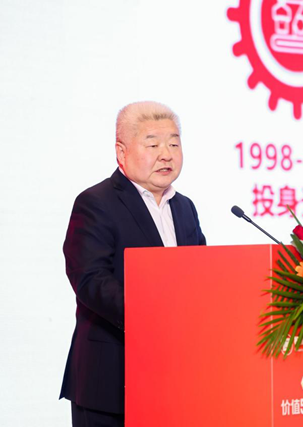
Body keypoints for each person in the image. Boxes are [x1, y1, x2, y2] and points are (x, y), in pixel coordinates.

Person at [60, 101, 206, 426]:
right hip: (112, 379)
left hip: (175, 376)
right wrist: (158, 317)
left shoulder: (185, 208)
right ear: (121, 152)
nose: (166, 154)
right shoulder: (96, 202)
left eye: (174, 144)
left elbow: (200, 275)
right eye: (153, 145)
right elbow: (90, 280)